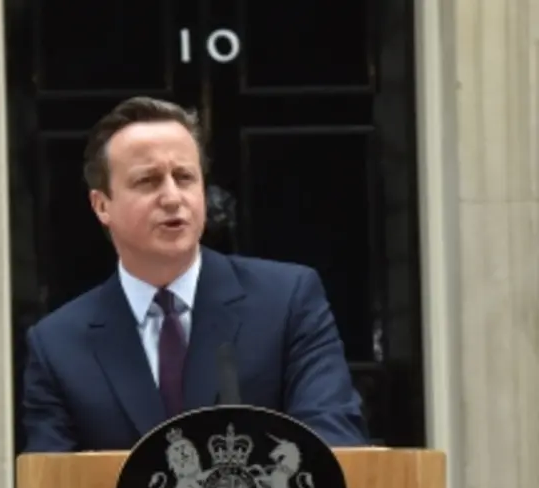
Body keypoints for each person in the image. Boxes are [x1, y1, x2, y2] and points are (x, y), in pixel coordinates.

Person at [22, 96, 369, 452]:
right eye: (148, 181)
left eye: (184, 177)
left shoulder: (288, 302)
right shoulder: (58, 346)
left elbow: (336, 442)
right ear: (102, 205)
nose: (172, 197)